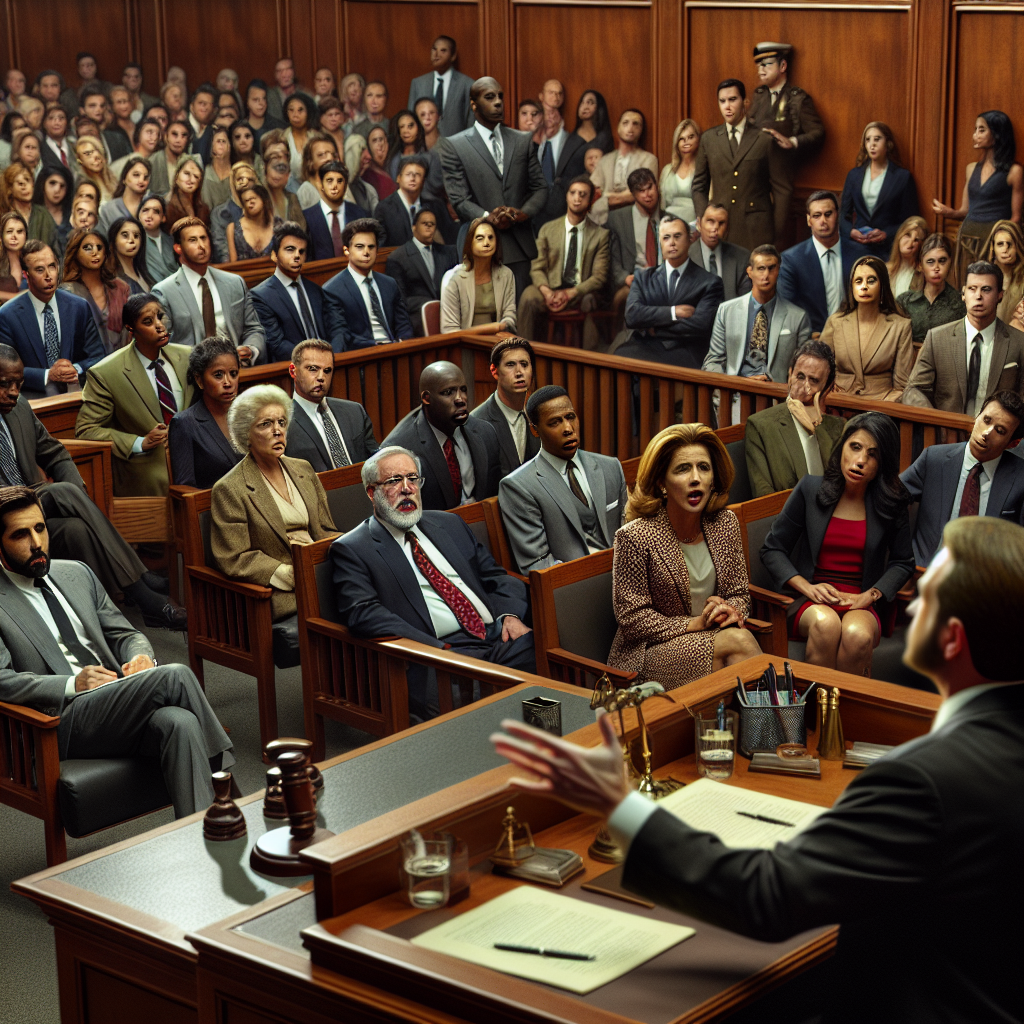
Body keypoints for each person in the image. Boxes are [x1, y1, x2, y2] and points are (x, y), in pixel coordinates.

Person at [491, 512, 1024, 1024]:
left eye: (928, 593)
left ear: (953, 639)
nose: (912, 603)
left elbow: (766, 896)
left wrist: (620, 805)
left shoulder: (919, 782)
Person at [0, 486, 232, 817]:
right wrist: (72, 684)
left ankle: (203, 832)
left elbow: (125, 633)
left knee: (178, 722)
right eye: (20, 535)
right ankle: (230, 791)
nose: (37, 543)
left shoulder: (76, 573)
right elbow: (1, 679)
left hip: (117, 697)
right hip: (60, 721)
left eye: (40, 528)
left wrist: (142, 658)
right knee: (176, 675)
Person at [331, 444, 535, 720]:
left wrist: (509, 615)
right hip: (437, 654)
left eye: (413, 479)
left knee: (551, 668)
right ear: (372, 492)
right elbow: (364, 613)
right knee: (475, 715)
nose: (407, 489)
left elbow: (497, 577)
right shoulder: (354, 548)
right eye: (394, 481)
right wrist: (435, 650)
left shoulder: (449, 524)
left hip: (496, 636)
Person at [0, 344, 184, 627]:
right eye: (5, 384)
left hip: (36, 511)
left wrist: (77, 497)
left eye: (19, 384)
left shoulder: (20, 407)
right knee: (62, 492)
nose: (14, 391)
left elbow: (54, 452)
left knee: (78, 529)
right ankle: (140, 583)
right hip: (6, 512)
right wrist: (68, 495)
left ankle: (105, 621)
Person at [604, 422, 761, 686]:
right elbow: (633, 619)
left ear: (714, 479)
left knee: (737, 646)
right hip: (650, 653)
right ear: (661, 482)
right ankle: (778, 722)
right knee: (740, 643)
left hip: (716, 636)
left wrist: (731, 611)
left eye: (703, 467)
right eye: (682, 469)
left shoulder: (726, 523)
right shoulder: (634, 536)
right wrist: (692, 624)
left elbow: (739, 594)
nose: (695, 478)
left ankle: (742, 724)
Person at [762, 412, 915, 674]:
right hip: (810, 599)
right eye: (855, 447)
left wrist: (871, 595)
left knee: (857, 635)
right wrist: (807, 588)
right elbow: (772, 548)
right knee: (827, 624)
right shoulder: (810, 489)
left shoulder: (892, 502)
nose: (860, 461)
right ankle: (815, 714)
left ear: (882, 462)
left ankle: (843, 714)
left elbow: (903, 562)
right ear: (842, 446)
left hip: (861, 599)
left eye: (873, 454)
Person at [211, 384, 337, 625]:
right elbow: (235, 557)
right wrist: (292, 575)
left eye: (281, 422)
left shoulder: (303, 469)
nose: (277, 431)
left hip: (322, 571)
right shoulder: (230, 488)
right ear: (245, 434)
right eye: (266, 424)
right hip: (283, 589)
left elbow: (325, 529)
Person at [437, 76, 548, 298]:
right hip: (479, 246)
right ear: (473, 104)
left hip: (519, 245)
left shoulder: (522, 140)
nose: (498, 102)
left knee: (519, 320)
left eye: (500, 97)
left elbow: (541, 188)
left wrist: (522, 214)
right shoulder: (455, 145)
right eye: (490, 97)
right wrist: (488, 216)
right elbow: (459, 200)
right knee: (484, 321)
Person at [499, 386, 627, 574]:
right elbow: (538, 563)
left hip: (625, 580)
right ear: (535, 430)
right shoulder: (519, 486)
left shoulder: (611, 467)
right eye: (554, 422)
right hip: (572, 588)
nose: (568, 429)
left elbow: (631, 534)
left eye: (571, 417)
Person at [75, 293, 191, 497]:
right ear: (131, 330)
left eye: (160, 317)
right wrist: (138, 442)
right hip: (147, 472)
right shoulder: (107, 372)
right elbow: (86, 430)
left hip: (193, 460)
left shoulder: (187, 356)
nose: (159, 325)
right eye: (148, 322)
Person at [902, 389, 1024, 568]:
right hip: (926, 574)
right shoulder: (934, 459)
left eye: (999, 431)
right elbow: (890, 496)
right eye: (986, 420)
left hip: (982, 586)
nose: (987, 433)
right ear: (977, 417)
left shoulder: (1020, 477)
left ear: (1013, 443)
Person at [903, 260, 1024, 413]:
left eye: (986, 289)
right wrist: (936, 423)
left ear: (1000, 295)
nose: (978, 296)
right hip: (946, 431)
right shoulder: (937, 338)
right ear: (963, 294)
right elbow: (913, 390)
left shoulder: (1019, 342)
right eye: (972, 289)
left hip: (996, 433)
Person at [382, 360, 501, 510]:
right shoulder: (399, 450)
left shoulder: (485, 432)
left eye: (463, 390)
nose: (460, 399)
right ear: (426, 398)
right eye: (448, 392)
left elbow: (495, 493)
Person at [150, 217, 266, 364]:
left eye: (203, 238)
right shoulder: (164, 292)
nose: (201, 245)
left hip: (238, 369)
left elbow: (254, 329)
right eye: (193, 240)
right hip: (191, 375)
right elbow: (161, 342)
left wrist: (250, 349)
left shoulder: (234, 283)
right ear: (178, 247)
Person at [617, 214, 724, 368]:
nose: (672, 243)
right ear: (660, 242)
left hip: (685, 350)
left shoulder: (709, 282)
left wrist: (653, 328)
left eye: (677, 236)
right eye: (666, 237)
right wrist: (673, 312)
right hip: (644, 346)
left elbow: (701, 325)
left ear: (690, 239)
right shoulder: (643, 277)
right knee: (618, 357)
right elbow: (632, 316)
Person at [0, 241, 104, 397]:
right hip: (32, 401)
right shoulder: (7, 316)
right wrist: (48, 375)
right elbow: (4, 370)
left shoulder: (79, 307)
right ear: (25, 275)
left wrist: (75, 369)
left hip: (78, 395)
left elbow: (98, 357)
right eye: (40, 270)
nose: (48, 276)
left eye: (52, 267)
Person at [516, 176, 610, 348]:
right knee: (528, 297)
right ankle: (523, 351)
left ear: (590, 201)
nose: (577, 198)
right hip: (550, 287)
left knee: (591, 301)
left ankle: (588, 362)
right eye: (573, 193)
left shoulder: (600, 235)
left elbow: (599, 277)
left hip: (579, 291)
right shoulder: (548, 229)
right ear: (566, 196)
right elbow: (537, 267)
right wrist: (546, 292)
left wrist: (569, 294)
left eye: (583, 195)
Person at [745, 339, 846, 497]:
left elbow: (837, 487)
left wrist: (813, 433)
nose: (803, 386)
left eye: (813, 380)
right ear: (790, 374)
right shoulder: (761, 425)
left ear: (827, 388)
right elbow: (763, 497)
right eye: (800, 376)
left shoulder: (837, 428)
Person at [703, 244, 812, 390]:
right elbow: (713, 361)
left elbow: (804, 369)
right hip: (735, 393)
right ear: (750, 271)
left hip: (777, 396)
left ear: (778, 270)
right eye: (761, 268)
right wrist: (726, 391)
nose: (766, 275)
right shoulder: (726, 311)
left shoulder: (798, 317)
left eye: (771, 268)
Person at [747, 42, 825, 245]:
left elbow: (818, 132)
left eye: (766, 64)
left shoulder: (797, 98)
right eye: (758, 65)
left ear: (782, 67)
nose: (760, 70)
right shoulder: (759, 96)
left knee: (776, 238)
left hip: (781, 181)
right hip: (756, 180)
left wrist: (793, 141)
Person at [693, 78, 784, 251]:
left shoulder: (763, 140)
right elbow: (699, 185)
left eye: (733, 99)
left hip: (756, 230)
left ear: (745, 102)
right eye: (722, 101)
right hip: (719, 228)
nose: (727, 106)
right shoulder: (709, 139)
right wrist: (706, 219)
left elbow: (781, 190)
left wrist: (776, 231)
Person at [932, 110, 1023, 283]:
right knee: (965, 287)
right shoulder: (971, 168)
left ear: (996, 135)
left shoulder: (1014, 171)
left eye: (981, 130)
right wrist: (948, 212)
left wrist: (1002, 241)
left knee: (988, 287)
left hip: (993, 240)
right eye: (975, 130)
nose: (975, 135)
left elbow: (1016, 217)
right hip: (967, 237)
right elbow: (965, 210)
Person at [820, 254, 914, 401]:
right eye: (858, 281)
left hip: (881, 403)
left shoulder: (900, 326)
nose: (864, 286)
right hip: (838, 401)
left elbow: (902, 386)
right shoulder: (836, 322)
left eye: (871, 281)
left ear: (882, 285)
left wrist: (883, 407)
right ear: (851, 286)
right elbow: (820, 370)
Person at [251, 222, 349, 360]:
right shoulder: (261, 296)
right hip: (294, 368)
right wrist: (315, 358)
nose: (297, 255)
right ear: (274, 255)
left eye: (301, 251)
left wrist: (332, 356)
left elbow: (337, 328)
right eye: (290, 249)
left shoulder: (315, 289)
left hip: (329, 362)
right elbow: (276, 344)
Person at [284, 339, 379, 471]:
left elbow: (377, 458)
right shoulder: (282, 423)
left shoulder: (354, 411)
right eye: (313, 369)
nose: (321, 377)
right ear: (293, 371)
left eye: (327, 370)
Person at [778, 190, 858, 334]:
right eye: (817, 215)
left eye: (828, 214)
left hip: (854, 334)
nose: (823, 221)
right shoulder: (792, 260)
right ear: (809, 220)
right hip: (811, 337)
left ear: (837, 215)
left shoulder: (858, 254)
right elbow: (787, 308)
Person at [323, 218, 412, 347]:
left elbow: (404, 325)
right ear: (346, 250)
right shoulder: (332, 290)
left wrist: (403, 342)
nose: (366, 253)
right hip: (364, 357)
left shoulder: (389, 284)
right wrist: (378, 345)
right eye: (360, 247)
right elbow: (342, 335)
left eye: (371, 247)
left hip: (397, 351)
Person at [168, 336, 242, 489]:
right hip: (214, 508)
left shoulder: (249, 414)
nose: (228, 383)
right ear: (199, 380)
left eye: (233, 374)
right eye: (218, 375)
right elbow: (185, 488)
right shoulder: (184, 424)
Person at [840, 122, 919, 259]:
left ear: (888, 144)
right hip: (857, 246)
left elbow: (911, 220)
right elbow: (843, 214)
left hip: (888, 249)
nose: (872, 144)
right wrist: (850, 232)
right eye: (868, 139)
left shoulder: (902, 177)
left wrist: (886, 234)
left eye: (877, 139)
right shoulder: (854, 175)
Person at [469, 337, 540, 476]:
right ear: (494, 371)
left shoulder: (536, 416)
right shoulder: (477, 423)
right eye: (510, 365)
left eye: (524, 364)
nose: (519, 372)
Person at [606, 167, 666, 329]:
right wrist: (625, 278)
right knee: (634, 296)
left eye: (650, 188)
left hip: (663, 280)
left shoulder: (670, 220)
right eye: (640, 191)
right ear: (633, 194)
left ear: (657, 187)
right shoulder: (616, 219)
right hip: (631, 281)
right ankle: (630, 344)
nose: (647, 194)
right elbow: (611, 259)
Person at [385, 208, 460, 334]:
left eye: (432, 224)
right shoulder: (398, 258)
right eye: (425, 224)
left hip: (450, 315)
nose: (429, 227)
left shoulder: (448, 253)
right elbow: (399, 300)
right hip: (416, 319)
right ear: (414, 227)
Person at [440, 216, 517, 334]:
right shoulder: (452, 279)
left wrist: (500, 329)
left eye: (491, 238)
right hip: (463, 344)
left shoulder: (506, 274)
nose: (487, 243)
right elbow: (449, 331)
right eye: (480, 238)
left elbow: (510, 317)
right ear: (469, 243)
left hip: (498, 341)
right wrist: (495, 327)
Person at [59, 228, 132, 353]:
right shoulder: (67, 292)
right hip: (85, 364)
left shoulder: (121, 288)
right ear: (75, 253)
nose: (95, 252)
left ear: (105, 253)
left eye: (99, 247)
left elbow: (130, 330)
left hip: (122, 360)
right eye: (87, 247)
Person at [588, 109, 658, 226]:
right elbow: (592, 192)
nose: (630, 128)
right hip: (603, 218)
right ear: (618, 128)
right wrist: (622, 196)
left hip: (634, 219)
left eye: (635, 124)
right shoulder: (605, 160)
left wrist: (607, 196)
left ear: (641, 130)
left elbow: (642, 193)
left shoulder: (649, 159)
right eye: (625, 123)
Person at [896, 233, 967, 345]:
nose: (936, 268)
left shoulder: (960, 303)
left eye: (942, 261)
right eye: (930, 262)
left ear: (950, 263)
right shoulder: (904, 302)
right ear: (920, 266)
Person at [534, 91, 588, 226]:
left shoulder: (576, 144)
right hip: (534, 212)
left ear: (560, 119)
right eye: (545, 115)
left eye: (553, 114)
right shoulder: (532, 143)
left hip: (565, 209)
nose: (549, 119)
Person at [375, 155, 453, 248]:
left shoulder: (435, 207)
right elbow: (379, 247)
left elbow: (448, 244)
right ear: (398, 178)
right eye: (408, 174)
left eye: (418, 175)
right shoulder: (384, 209)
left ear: (424, 181)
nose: (412, 178)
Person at [302, 160, 370, 262]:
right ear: (321, 185)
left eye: (339, 181)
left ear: (346, 185)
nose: (334, 186)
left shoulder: (359, 214)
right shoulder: (307, 217)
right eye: (329, 180)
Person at [407, 35, 474, 138]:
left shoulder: (466, 84)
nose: (436, 54)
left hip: (455, 147)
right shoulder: (418, 83)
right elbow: (410, 119)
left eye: (443, 50)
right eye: (434, 49)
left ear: (453, 56)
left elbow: (471, 124)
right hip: (424, 147)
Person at [687, 204, 752, 301]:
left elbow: (745, 301)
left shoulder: (741, 257)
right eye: (710, 221)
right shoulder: (686, 256)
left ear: (727, 229)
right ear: (699, 224)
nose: (715, 228)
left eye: (721, 223)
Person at [0, 162, 56, 247]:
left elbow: (55, 249)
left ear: (33, 184)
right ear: (10, 189)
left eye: (27, 181)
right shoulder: (4, 216)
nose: (24, 187)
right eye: (20, 184)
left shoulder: (43, 214)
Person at [659, 119, 700, 227]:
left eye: (691, 137)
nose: (686, 142)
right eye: (681, 139)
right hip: (669, 225)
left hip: (696, 226)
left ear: (698, 139)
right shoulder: (667, 170)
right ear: (677, 143)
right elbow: (662, 205)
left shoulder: (704, 169)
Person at [981, 218, 1024, 322]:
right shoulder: (982, 276)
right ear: (993, 248)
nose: (1005, 250)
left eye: (1009, 244)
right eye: (1000, 244)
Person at [97, 155, 150, 238]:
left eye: (145, 177)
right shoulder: (109, 209)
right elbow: (100, 239)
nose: (141, 180)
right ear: (124, 178)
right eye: (136, 175)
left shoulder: (152, 206)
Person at [226, 183, 277, 262]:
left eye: (253, 198)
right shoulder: (233, 229)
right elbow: (233, 264)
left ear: (263, 199)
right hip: (244, 272)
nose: (250, 202)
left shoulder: (280, 226)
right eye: (246, 201)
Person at [109, 215, 153, 295]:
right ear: (114, 240)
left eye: (136, 236)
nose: (132, 240)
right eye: (125, 235)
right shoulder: (111, 279)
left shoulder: (145, 274)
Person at [295, 131, 340, 209]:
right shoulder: (306, 191)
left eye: (333, 155)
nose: (330, 158)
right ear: (310, 162)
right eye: (322, 155)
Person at [138, 194, 176, 284]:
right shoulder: (135, 241)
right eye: (145, 210)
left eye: (156, 212)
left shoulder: (170, 241)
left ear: (163, 218)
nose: (149, 216)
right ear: (139, 214)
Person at [164, 154, 210, 230]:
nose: (191, 180)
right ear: (176, 176)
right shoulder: (166, 207)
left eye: (196, 176)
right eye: (186, 173)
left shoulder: (204, 210)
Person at [885, 215, 927, 297]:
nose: (910, 243)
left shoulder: (922, 275)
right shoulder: (885, 270)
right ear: (899, 235)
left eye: (916, 240)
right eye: (908, 235)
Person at [266, 59, 314, 124]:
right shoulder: (269, 96)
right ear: (275, 75)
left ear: (294, 72)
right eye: (279, 71)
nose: (284, 74)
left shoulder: (306, 95)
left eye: (288, 70)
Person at [199, 126, 233, 211]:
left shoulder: (236, 172)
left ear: (229, 146)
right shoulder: (205, 173)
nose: (221, 144)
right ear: (212, 146)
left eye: (224, 141)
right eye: (218, 141)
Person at [570, 90, 612, 154]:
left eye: (590, 103)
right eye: (582, 103)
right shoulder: (571, 138)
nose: (585, 107)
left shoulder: (604, 139)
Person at [0, 211, 27, 299]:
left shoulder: (33, 262)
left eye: (19, 232)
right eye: (9, 231)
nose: (14, 236)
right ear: (1, 236)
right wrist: (16, 297)